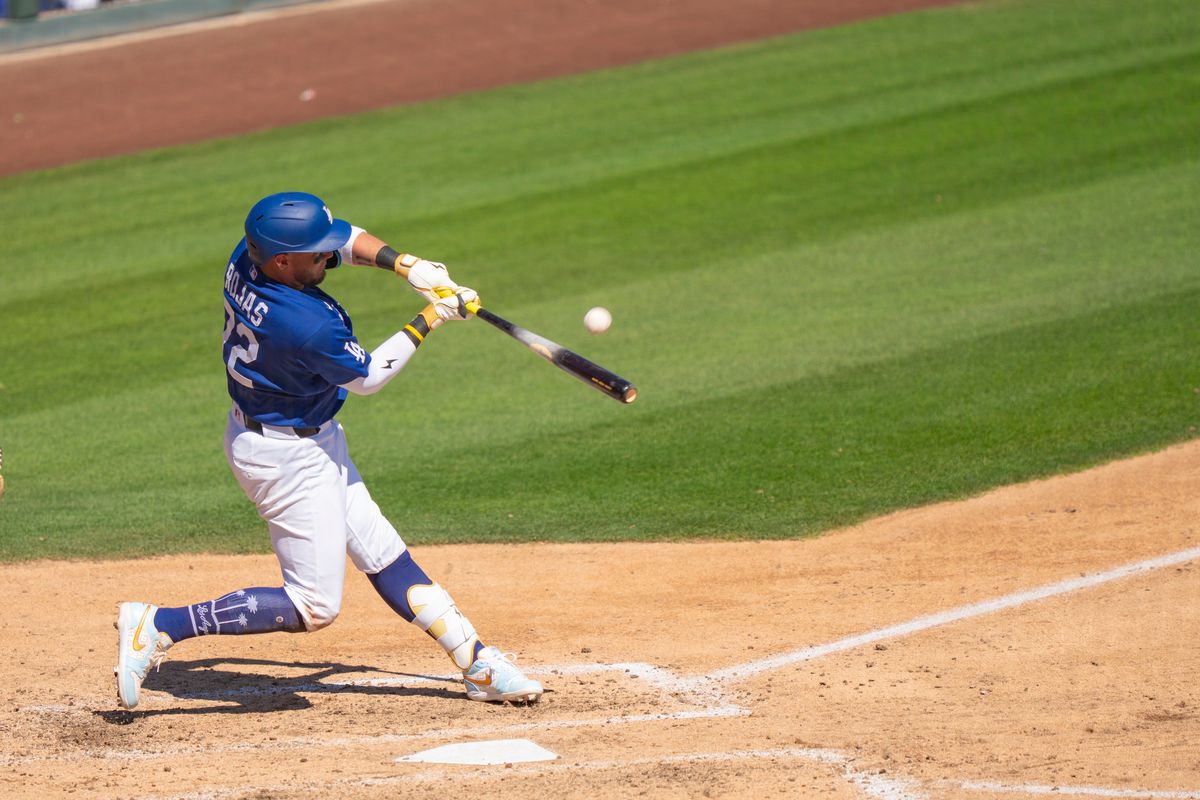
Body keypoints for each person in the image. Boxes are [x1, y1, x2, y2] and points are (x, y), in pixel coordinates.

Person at [114, 191, 542, 709]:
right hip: (284, 459)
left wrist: (407, 266)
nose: (328, 259)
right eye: (317, 256)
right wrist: (434, 316)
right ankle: (159, 624)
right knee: (313, 605)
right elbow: (367, 379)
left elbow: (346, 239)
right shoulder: (305, 324)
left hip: (302, 436)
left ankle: (477, 663)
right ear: (283, 260)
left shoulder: (249, 256)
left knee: (382, 552)